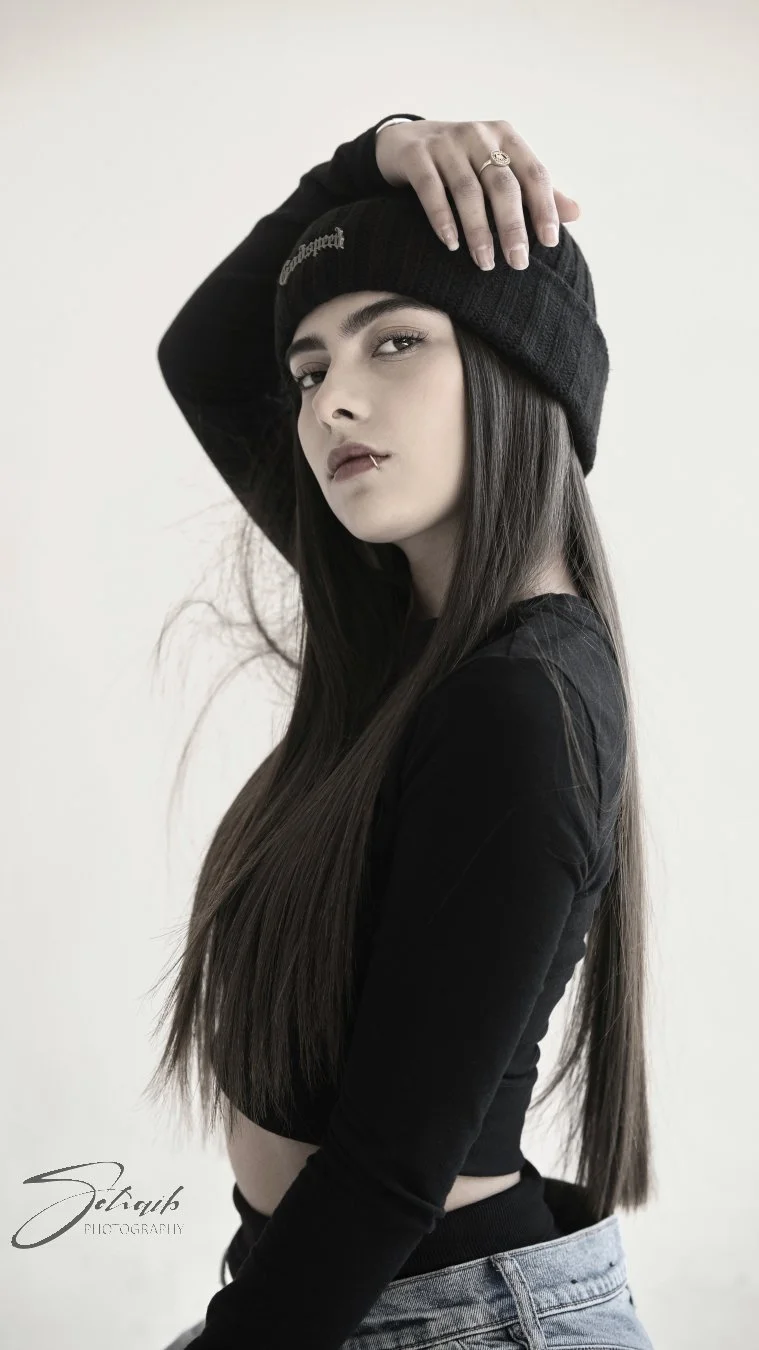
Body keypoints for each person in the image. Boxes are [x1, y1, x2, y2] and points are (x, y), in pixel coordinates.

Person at [150, 113, 656, 1350]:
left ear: (523, 371)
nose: (334, 402)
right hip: (353, 1296)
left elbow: (390, 1167)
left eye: (395, 342)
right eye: (310, 370)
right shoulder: (408, 632)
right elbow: (204, 358)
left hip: (433, 1315)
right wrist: (369, 155)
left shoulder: (518, 702)